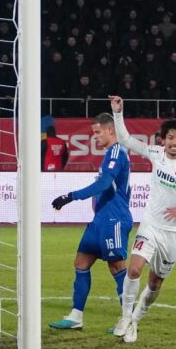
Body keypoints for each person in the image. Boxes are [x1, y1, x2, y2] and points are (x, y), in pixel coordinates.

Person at [109, 95, 176, 343]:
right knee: (134, 268)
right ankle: (125, 317)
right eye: (170, 138)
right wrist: (118, 112)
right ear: (163, 140)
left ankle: (135, 320)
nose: (174, 143)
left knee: (155, 282)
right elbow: (125, 140)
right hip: (150, 225)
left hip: (175, 233)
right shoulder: (155, 154)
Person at [47, 112, 132, 330]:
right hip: (100, 220)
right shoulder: (109, 154)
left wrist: (70, 196)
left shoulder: (116, 152)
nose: (94, 137)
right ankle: (76, 316)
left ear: (109, 130)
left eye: (97, 132)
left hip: (113, 219)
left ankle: (128, 320)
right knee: (81, 263)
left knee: (117, 267)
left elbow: (104, 184)